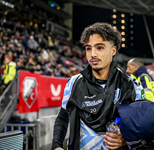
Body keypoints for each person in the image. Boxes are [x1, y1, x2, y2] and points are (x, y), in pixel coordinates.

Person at [52, 22, 146, 150]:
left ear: (113, 50)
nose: (93, 54)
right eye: (88, 48)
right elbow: (62, 118)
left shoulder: (132, 86)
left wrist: (127, 139)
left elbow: (143, 128)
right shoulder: (73, 83)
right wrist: (56, 146)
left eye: (100, 47)